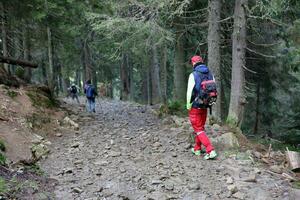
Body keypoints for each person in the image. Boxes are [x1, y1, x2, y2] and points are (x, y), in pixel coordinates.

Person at [186, 55, 217, 160]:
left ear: (194, 63)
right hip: (206, 104)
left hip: (195, 105)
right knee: (200, 127)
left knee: (198, 128)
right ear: (202, 62)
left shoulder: (193, 75)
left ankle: (210, 150)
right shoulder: (210, 74)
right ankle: (197, 148)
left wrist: (188, 105)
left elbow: (189, 92)